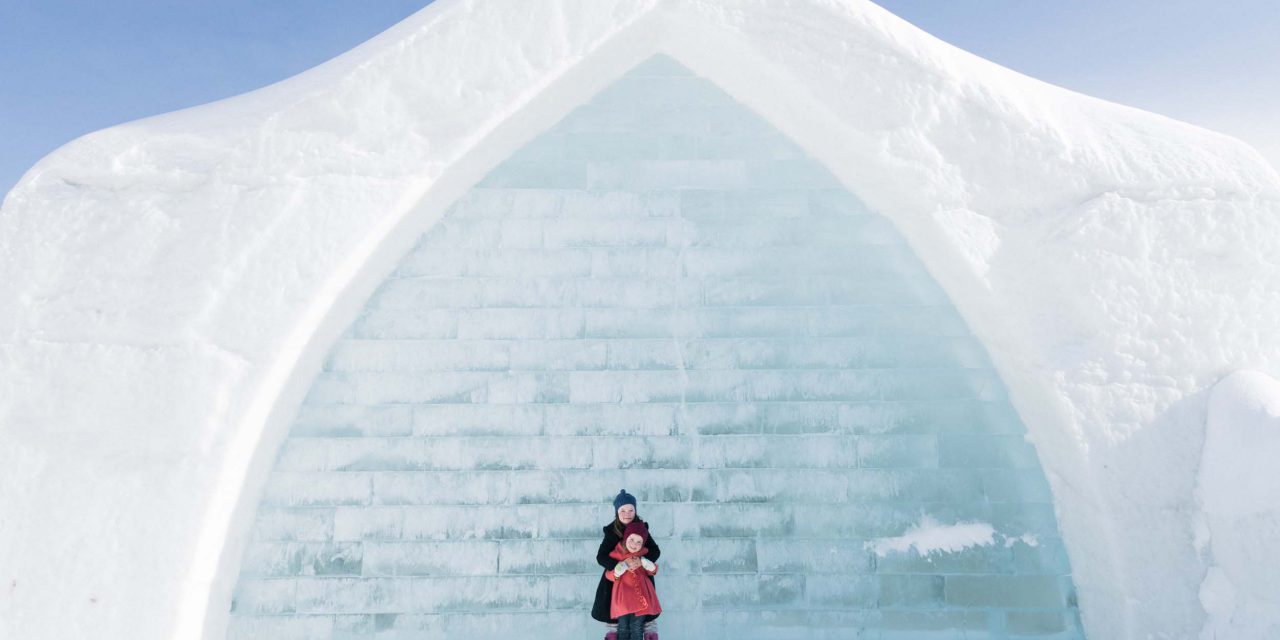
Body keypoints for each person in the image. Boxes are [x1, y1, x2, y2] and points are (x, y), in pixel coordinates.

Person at [593, 489, 661, 640]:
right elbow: (601, 557)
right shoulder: (612, 531)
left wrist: (641, 561)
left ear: (635, 511)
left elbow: (655, 551)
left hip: (640, 578)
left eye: (631, 510)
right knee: (617, 620)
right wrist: (620, 565)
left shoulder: (641, 529)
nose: (627, 514)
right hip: (616, 579)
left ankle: (649, 635)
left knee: (644, 616)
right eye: (622, 510)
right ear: (617, 512)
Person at [605, 520, 661, 640]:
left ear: (642, 544)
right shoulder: (618, 554)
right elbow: (608, 575)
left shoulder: (643, 555)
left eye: (638, 542)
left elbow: (652, 571)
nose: (634, 544)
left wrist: (645, 563)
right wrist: (618, 570)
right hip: (622, 600)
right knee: (623, 628)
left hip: (640, 600)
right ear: (625, 538)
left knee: (637, 628)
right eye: (631, 539)